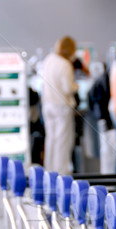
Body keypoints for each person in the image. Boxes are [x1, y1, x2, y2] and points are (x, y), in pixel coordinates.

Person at [41, 36, 79, 175]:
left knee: (51, 139)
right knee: (63, 141)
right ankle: (62, 173)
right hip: (61, 106)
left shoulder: (48, 60)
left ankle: (50, 171)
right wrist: (76, 86)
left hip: (47, 104)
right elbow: (68, 88)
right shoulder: (65, 64)